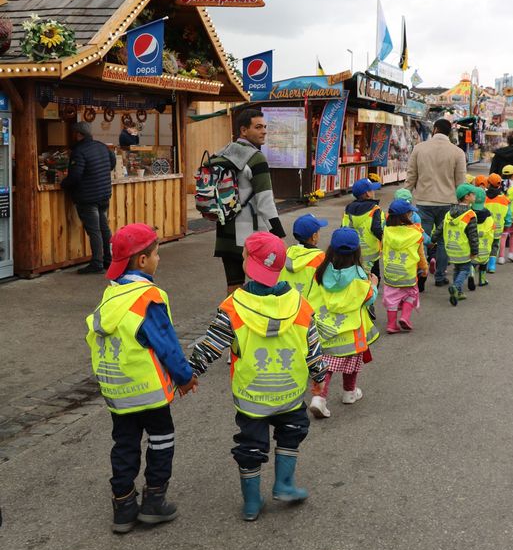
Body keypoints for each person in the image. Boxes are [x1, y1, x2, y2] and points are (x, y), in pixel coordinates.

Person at [190, 232, 326, 521]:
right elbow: (313, 346)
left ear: (247, 264)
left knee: (250, 445)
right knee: (291, 432)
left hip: (251, 396)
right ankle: (284, 484)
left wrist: (190, 372)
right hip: (289, 393)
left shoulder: (233, 307)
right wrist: (319, 373)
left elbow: (211, 345)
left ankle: (252, 502)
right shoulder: (300, 305)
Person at [85, 223, 197, 533]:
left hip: (117, 389)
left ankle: (122, 505)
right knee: (161, 438)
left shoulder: (110, 297)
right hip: (148, 389)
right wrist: (185, 376)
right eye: (157, 255)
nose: (159, 260)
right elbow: (166, 343)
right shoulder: (148, 297)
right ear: (143, 260)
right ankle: (154, 501)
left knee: (124, 442)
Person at [306, 227, 379, 419]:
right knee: (352, 364)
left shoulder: (320, 272)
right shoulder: (360, 276)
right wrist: (374, 285)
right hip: (351, 332)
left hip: (326, 329)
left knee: (327, 366)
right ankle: (349, 392)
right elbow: (369, 298)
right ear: (357, 251)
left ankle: (319, 398)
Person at [213, 108, 285, 294]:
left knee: (233, 282)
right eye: (258, 127)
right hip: (250, 235)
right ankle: (251, 320)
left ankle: (230, 319)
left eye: (265, 127)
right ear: (243, 130)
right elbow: (265, 201)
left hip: (225, 229)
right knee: (259, 283)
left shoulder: (223, 153)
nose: (264, 131)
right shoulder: (256, 158)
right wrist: (277, 233)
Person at [404, 117, 467, 286]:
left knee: (421, 238)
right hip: (448, 202)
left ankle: (421, 274)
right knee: (443, 241)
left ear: (434, 130)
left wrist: (405, 198)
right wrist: (464, 205)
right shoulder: (457, 152)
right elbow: (461, 182)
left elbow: (411, 176)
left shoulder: (419, 149)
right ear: (449, 132)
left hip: (424, 201)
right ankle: (440, 276)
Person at [61, 121, 116, 275]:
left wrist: (64, 183)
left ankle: (97, 263)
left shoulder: (79, 151)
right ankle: (108, 260)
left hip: (87, 197)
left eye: (74, 133)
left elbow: (76, 176)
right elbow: (112, 163)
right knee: (104, 228)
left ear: (79, 134)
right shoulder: (102, 146)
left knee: (94, 231)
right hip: (104, 194)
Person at [381, 199, 427, 333]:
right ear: (406, 216)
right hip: (408, 273)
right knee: (411, 294)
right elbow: (421, 254)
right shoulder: (416, 233)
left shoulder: (387, 232)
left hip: (390, 273)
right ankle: (405, 317)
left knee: (391, 298)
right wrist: (424, 268)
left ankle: (391, 324)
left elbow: (382, 248)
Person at [432, 183, 478, 305]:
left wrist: (433, 238)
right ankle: (456, 286)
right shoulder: (470, 214)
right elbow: (473, 235)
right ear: (467, 197)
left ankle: (459, 292)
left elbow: (441, 228)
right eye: (473, 194)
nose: (475, 196)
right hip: (463, 248)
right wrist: (475, 251)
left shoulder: (449, 213)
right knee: (465, 268)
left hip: (451, 248)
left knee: (457, 268)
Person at [341, 178, 384, 279]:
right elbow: (377, 229)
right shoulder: (375, 209)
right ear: (367, 194)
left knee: (356, 277)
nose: (373, 192)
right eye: (371, 190)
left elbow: (344, 227)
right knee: (373, 277)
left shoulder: (349, 208)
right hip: (371, 254)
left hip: (353, 252)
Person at [278, 213, 328, 299]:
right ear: (314, 236)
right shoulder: (320, 258)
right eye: (318, 231)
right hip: (309, 309)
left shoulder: (287, 253)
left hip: (287, 304)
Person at [484, 174, 512, 272]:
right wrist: (507, 224)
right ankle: (492, 265)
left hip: (484, 227)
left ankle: (483, 262)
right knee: (495, 245)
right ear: (500, 185)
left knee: (484, 244)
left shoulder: (483, 197)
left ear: (488, 183)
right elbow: (508, 214)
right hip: (498, 227)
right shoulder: (504, 199)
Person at [472, 187, 495, 287]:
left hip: (473, 245)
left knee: (472, 262)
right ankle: (482, 280)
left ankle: (471, 275)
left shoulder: (469, 213)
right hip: (485, 246)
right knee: (483, 263)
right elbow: (493, 228)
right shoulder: (488, 215)